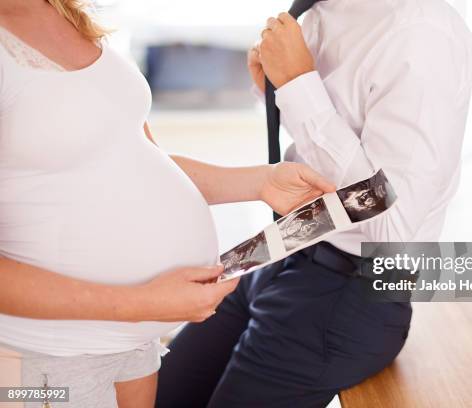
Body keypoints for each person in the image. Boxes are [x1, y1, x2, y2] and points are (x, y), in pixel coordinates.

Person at [0, 1, 335, 407]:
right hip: (47, 355)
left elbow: (135, 161)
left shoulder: (61, 12)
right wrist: (145, 302)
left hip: (133, 343)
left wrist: (258, 181)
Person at [156, 0, 472, 406]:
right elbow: (338, 140)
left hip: (348, 292)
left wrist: (296, 84)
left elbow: (391, 223)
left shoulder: (423, 33)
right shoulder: (324, 9)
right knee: (159, 396)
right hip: (287, 248)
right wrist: (275, 89)